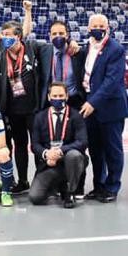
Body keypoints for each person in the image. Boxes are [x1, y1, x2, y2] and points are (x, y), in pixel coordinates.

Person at [0, 20, 50, 192]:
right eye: (3, 35)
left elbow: (50, 47)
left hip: (34, 110)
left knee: (37, 146)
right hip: (12, 112)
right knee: (19, 146)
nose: (4, 38)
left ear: (18, 36)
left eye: (8, 35)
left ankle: (41, 181)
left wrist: (70, 42)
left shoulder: (33, 49)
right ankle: (23, 181)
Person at [80, 14, 128, 203]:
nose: (98, 28)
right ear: (88, 28)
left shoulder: (115, 49)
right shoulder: (88, 46)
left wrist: (93, 102)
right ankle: (99, 185)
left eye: (102, 25)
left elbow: (112, 81)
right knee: (95, 149)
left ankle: (112, 187)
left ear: (108, 28)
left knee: (112, 150)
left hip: (109, 107)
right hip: (90, 107)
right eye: (95, 25)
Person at [29, 82, 88, 208]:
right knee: (35, 197)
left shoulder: (76, 115)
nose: (58, 99)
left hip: (69, 160)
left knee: (74, 155)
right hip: (49, 164)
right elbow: (35, 144)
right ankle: (57, 186)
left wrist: (60, 151)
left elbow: (82, 141)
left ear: (67, 96)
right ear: (49, 97)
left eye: (61, 95)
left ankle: (70, 192)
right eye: (54, 96)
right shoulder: (40, 117)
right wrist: (47, 154)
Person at [44, 20, 86, 109]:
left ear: (67, 35)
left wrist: (71, 41)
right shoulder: (44, 52)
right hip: (52, 100)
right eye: (54, 34)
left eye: (61, 33)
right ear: (50, 36)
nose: (58, 36)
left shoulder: (78, 53)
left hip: (74, 101)